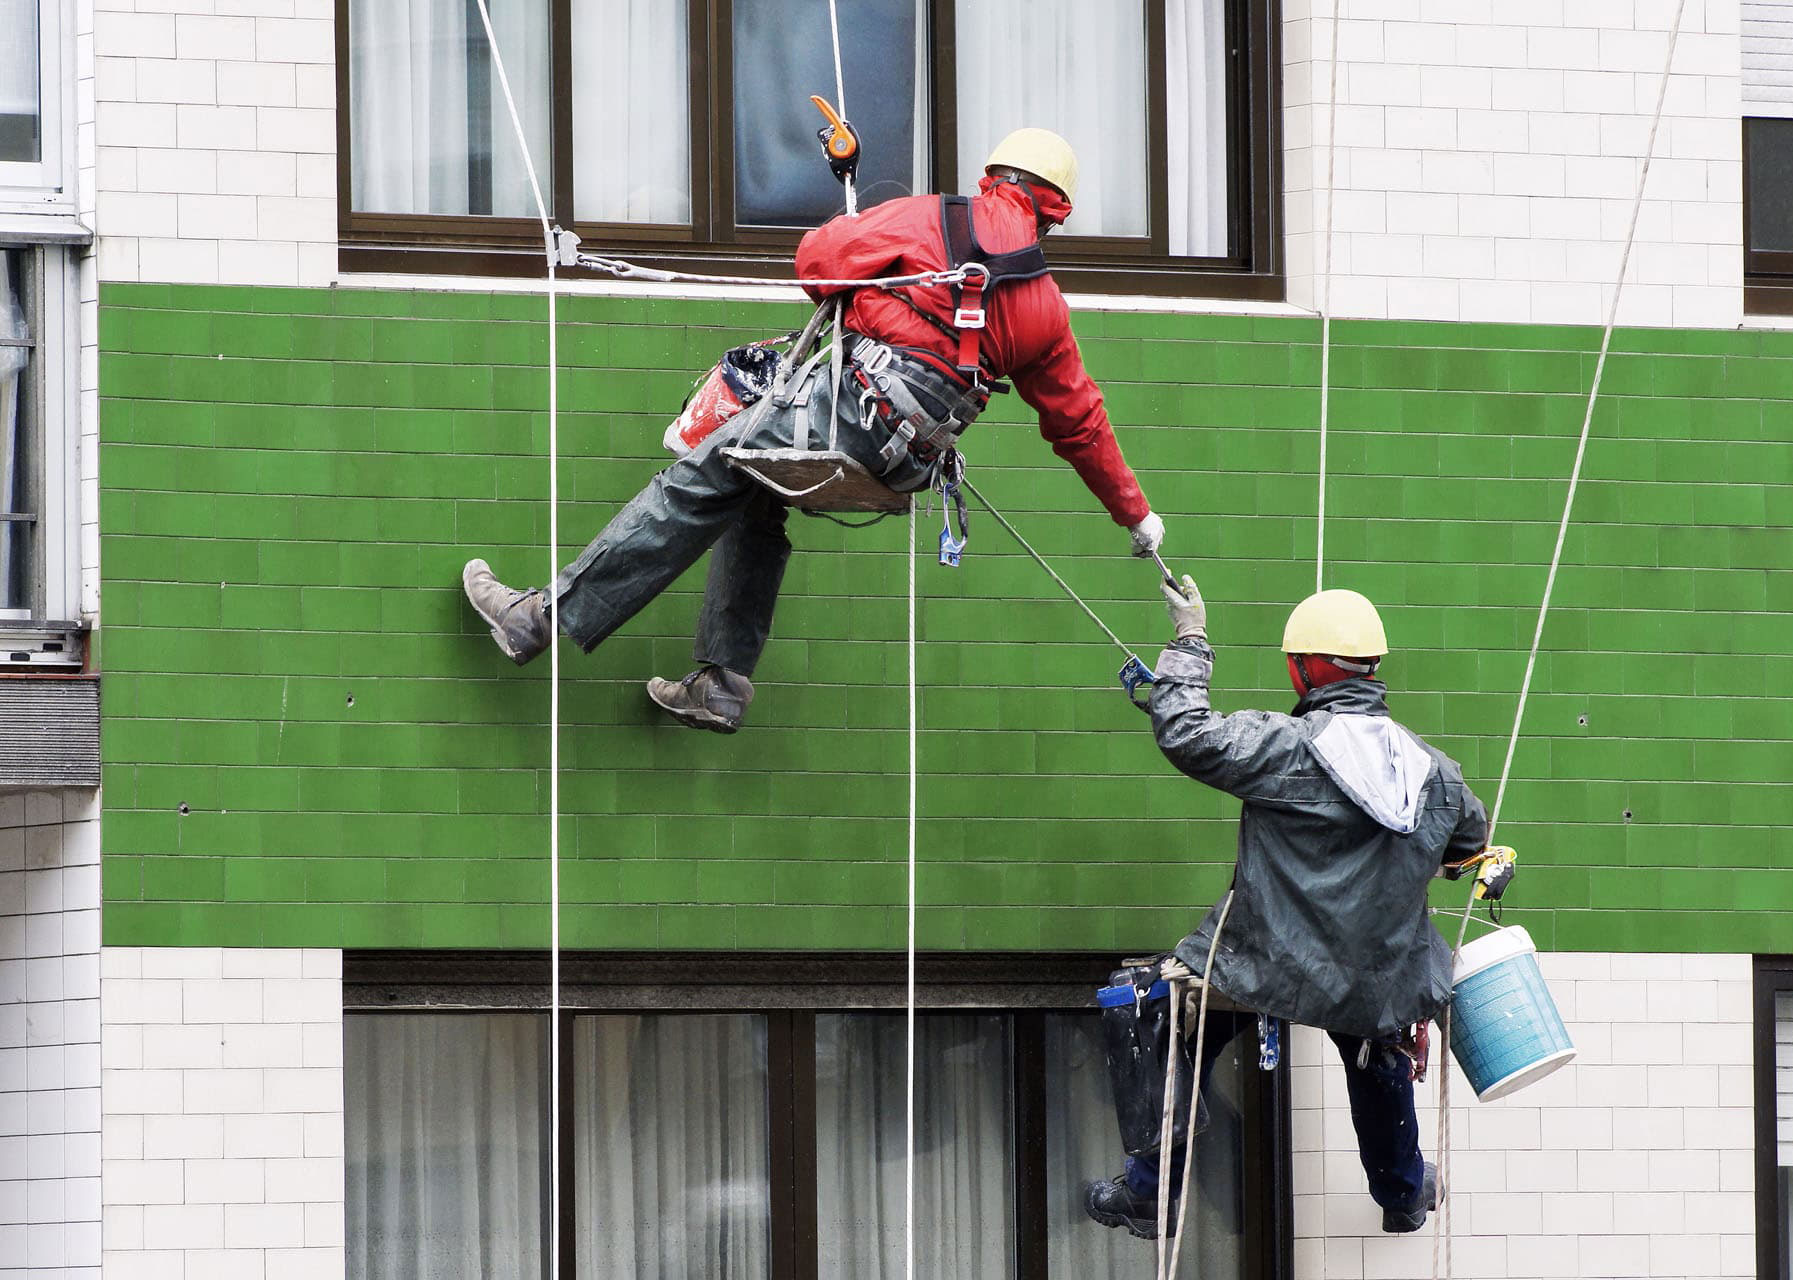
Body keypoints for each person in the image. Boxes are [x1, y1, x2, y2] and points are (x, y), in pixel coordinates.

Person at [461, 127, 1163, 732]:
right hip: (898, 462)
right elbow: (1080, 423)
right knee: (756, 494)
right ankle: (722, 685)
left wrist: (859, 253)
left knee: (701, 475)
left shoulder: (927, 221)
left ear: (991, 178)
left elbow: (815, 262)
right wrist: (1135, 515)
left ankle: (538, 618)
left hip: (847, 413)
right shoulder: (1044, 308)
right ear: (1055, 212)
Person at [1086, 581, 1512, 1238]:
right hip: (1379, 983)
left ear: (1302, 669)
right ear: (1374, 670)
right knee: (1378, 1051)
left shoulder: (1281, 747)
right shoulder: (1436, 772)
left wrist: (1190, 642)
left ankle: (1151, 1192)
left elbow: (1185, 733)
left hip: (1265, 965)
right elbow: (1467, 849)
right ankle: (1402, 1193)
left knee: (1158, 1015)